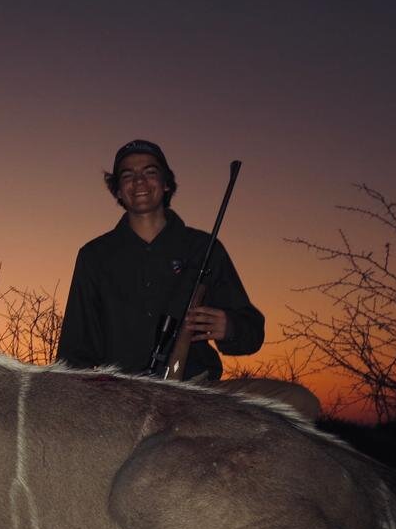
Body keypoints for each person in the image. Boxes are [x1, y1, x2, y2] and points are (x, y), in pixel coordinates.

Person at [57, 140, 264, 381]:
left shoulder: (204, 248)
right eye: (128, 175)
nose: (139, 181)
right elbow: (74, 352)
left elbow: (251, 334)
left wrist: (230, 327)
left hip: (200, 392)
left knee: (298, 400)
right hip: (122, 397)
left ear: (166, 184)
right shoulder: (94, 256)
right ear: (118, 190)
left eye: (150, 172)